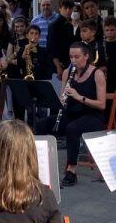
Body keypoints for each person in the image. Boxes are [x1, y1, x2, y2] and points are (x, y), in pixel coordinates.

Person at [46, 41, 107, 188]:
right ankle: (42, 168)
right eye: (71, 57)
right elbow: (62, 97)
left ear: (86, 56)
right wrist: (62, 99)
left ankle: (71, 171)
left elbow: (102, 104)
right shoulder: (68, 73)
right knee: (42, 124)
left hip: (93, 116)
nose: (73, 61)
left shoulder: (97, 74)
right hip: (72, 113)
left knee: (72, 128)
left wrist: (80, 97)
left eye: (76, 57)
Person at [47, 0, 76, 74]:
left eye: (70, 8)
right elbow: (51, 48)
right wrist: (58, 66)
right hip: (58, 63)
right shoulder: (54, 25)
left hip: (69, 62)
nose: (68, 11)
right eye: (65, 8)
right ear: (60, 9)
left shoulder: (69, 25)